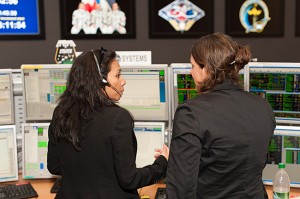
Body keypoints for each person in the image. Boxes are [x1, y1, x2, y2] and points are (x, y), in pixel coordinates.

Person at [47, 48, 169, 199]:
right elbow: (129, 180)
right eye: (117, 75)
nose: (123, 81)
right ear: (100, 81)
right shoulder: (118, 118)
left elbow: (54, 166)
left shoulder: (60, 113)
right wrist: (162, 164)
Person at [166, 33, 276, 199]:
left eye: (193, 66)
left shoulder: (191, 113)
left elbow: (181, 190)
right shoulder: (263, 107)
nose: (190, 73)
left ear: (206, 69)